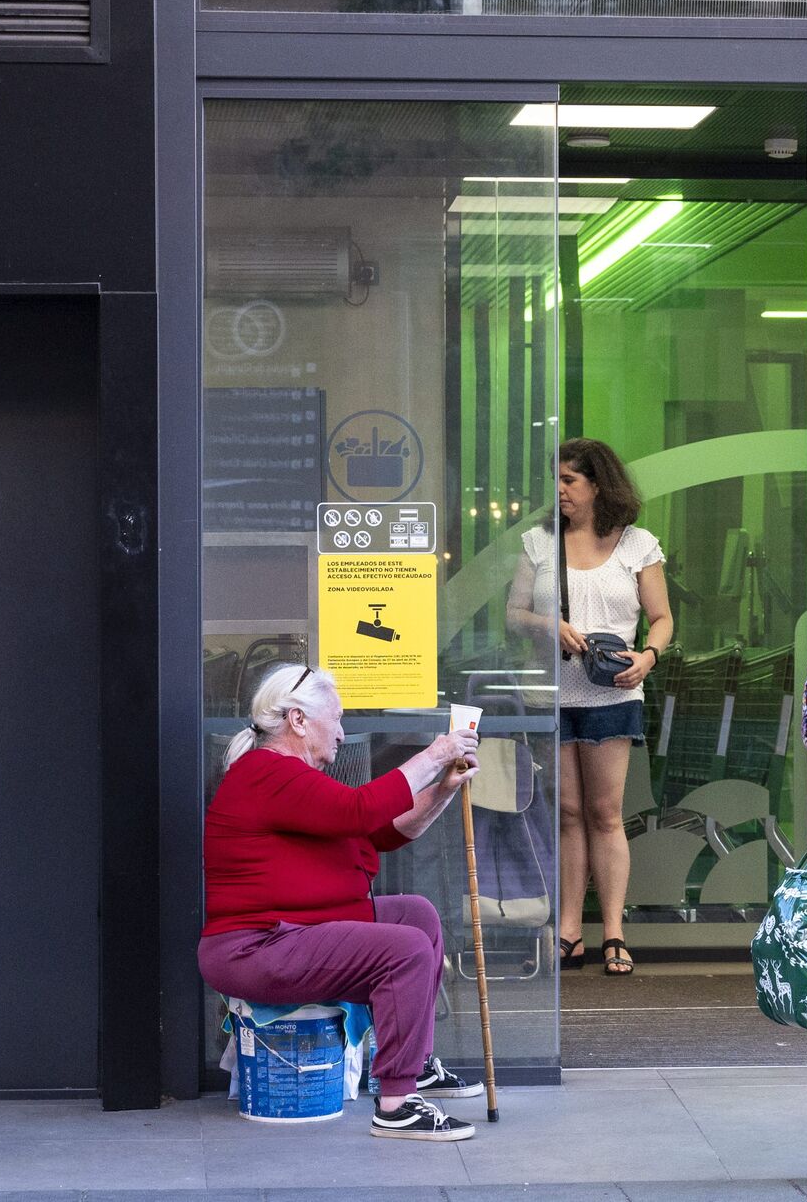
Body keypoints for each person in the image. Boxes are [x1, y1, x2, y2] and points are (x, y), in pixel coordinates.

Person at [198, 663, 488, 1142]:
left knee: (416, 915)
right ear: (298, 720)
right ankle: (395, 1104)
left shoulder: (291, 778)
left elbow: (384, 831)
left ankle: (413, 1066)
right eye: (335, 719)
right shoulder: (267, 773)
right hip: (255, 948)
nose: (341, 732)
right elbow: (361, 810)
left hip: (288, 933)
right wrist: (437, 753)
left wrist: (443, 787)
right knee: (405, 949)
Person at [508, 438, 672, 976]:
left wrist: (649, 656)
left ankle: (615, 932)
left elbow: (662, 618)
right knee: (568, 815)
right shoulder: (538, 542)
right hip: (551, 696)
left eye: (569, 480)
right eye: (555, 480)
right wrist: (548, 624)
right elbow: (513, 614)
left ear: (597, 485)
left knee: (605, 814)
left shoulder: (637, 544)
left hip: (612, 691)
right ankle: (570, 931)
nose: (559, 490)